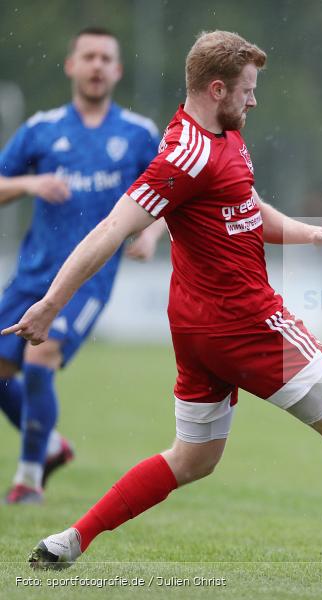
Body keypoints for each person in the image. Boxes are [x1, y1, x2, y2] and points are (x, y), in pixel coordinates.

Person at [3, 30, 322, 575]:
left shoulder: (219, 137)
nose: (254, 99)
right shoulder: (185, 156)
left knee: (193, 458)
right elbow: (112, 229)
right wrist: (49, 305)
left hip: (198, 331)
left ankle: (71, 538)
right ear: (216, 88)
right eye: (248, 90)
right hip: (248, 323)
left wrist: (313, 234)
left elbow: (248, 209)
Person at [0, 27, 166, 504]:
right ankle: (50, 446)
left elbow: (171, 196)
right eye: (88, 56)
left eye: (106, 58)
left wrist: (151, 234)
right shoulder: (41, 128)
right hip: (31, 273)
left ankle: (28, 481)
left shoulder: (138, 133)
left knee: (39, 356)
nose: (96, 65)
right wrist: (32, 185)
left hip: (88, 281)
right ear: (72, 65)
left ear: (117, 71)